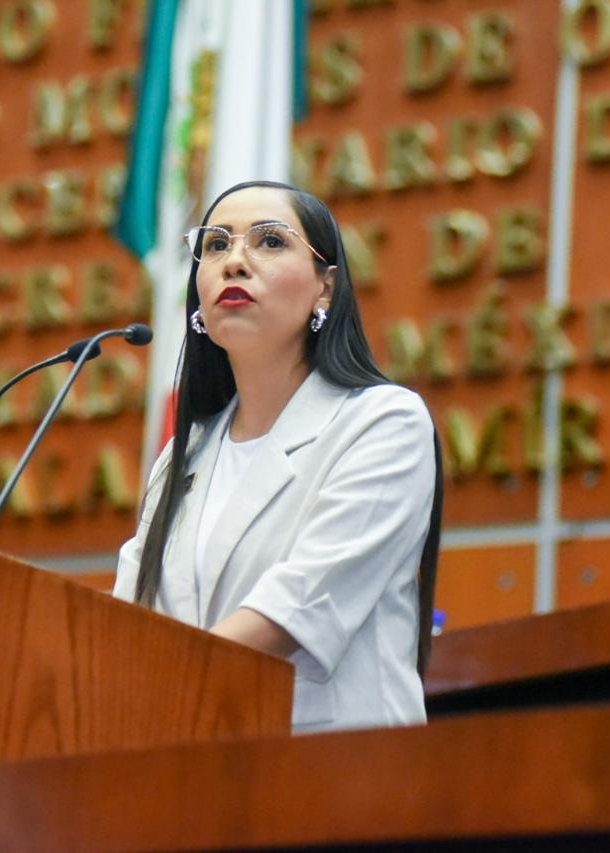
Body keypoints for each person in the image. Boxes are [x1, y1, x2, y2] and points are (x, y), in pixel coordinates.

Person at [113, 180, 443, 733]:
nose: (234, 261)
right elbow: (128, 619)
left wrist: (165, 688)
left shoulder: (383, 422)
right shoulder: (184, 455)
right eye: (216, 244)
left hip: (333, 766)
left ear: (325, 287)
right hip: (193, 761)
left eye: (269, 241)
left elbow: (297, 607)